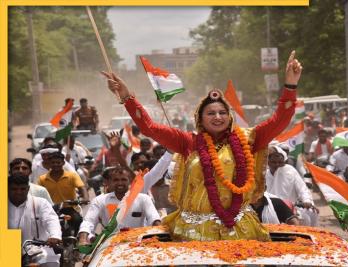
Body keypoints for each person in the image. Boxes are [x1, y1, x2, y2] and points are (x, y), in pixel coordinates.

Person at [102, 50, 302, 241]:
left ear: (229, 117)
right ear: (200, 118)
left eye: (222, 113)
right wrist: (127, 97)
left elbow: (280, 120)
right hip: (193, 230)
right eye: (211, 113)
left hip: (238, 227)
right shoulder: (188, 142)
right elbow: (149, 127)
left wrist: (290, 86)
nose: (217, 117)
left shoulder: (248, 139)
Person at [78, 166, 161, 245]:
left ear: (130, 181)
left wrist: (160, 234)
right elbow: (88, 221)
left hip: (138, 243)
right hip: (109, 244)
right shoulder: (100, 200)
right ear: (110, 182)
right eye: (116, 180)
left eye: (123, 179)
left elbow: (154, 218)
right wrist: (83, 239)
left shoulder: (143, 198)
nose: (120, 183)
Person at [266, 145, 319, 226]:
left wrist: (307, 201)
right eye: (273, 162)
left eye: (280, 162)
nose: (277, 165)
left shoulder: (290, 171)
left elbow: (302, 189)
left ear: (284, 161)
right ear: (268, 162)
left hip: (291, 209)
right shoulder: (264, 175)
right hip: (270, 210)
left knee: (309, 217)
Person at [37, 152, 88, 235]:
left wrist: (85, 198)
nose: (55, 165)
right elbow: (37, 193)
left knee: (78, 220)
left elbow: (82, 188)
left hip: (70, 207)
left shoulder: (72, 176)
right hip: (51, 209)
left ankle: (77, 240)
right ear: (49, 163)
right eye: (53, 162)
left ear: (63, 163)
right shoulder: (42, 179)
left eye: (58, 162)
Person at [8, 174, 62, 250]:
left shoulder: (41, 203)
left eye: (22, 189)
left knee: (50, 261)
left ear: (28, 188)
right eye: (14, 189)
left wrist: (54, 236)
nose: (18, 192)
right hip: (7, 249)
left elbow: (51, 220)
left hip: (39, 249)